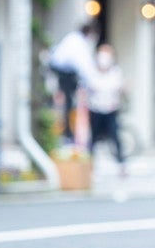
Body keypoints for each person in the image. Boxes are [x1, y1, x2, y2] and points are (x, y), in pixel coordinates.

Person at [48, 21, 98, 144]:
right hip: (64, 73)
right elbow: (84, 65)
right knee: (67, 103)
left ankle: (68, 132)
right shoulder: (78, 43)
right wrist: (94, 82)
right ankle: (67, 133)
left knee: (67, 102)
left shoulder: (73, 38)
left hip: (62, 72)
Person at [85, 43, 127, 175]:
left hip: (111, 111)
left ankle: (121, 165)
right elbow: (88, 89)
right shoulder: (92, 72)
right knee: (93, 138)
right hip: (95, 110)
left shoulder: (116, 72)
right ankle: (89, 165)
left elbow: (120, 88)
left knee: (115, 136)